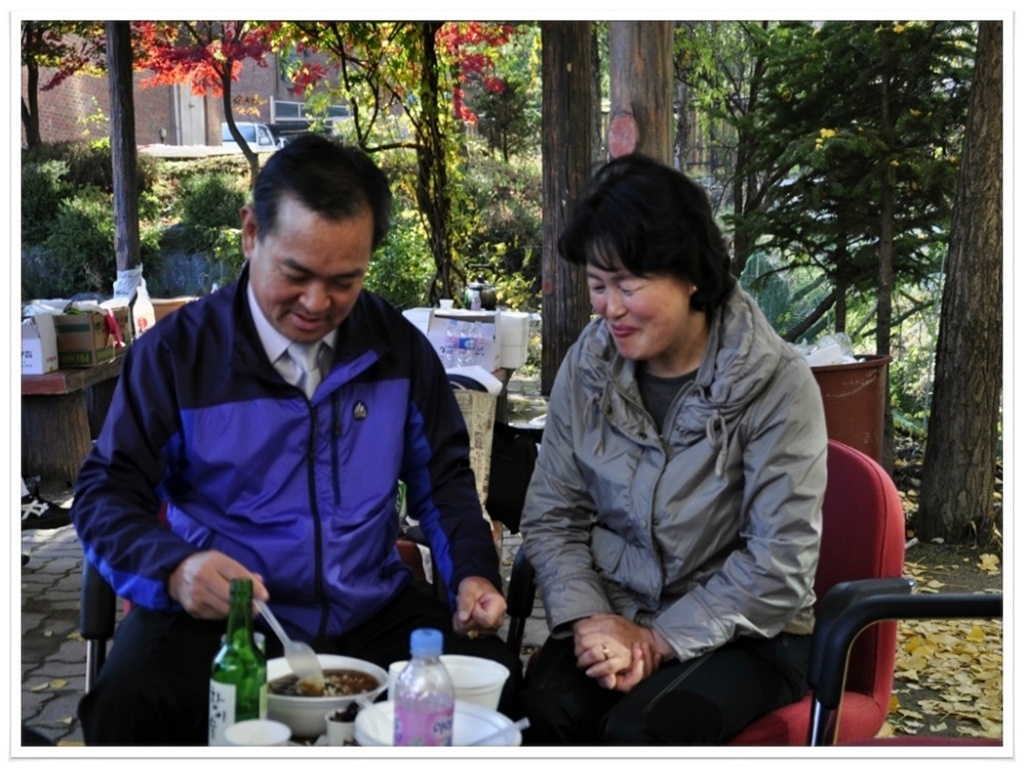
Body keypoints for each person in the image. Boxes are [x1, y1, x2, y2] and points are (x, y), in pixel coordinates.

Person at [72, 134, 519, 745]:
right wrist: (175, 569)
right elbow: (105, 494)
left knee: (495, 687)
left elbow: (442, 480)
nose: (316, 303)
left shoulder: (396, 349)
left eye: (344, 281)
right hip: (223, 620)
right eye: (296, 274)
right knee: (128, 706)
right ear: (251, 232)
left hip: (368, 610)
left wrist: (471, 574)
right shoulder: (179, 356)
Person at [518, 153, 828, 745]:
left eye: (627, 285)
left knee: (642, 732)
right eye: (597, 285)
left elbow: (779, 562)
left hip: (749, 634)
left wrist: (658, 640)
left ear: (690, 274)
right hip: (616, 610)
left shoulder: (776, 384)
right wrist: (589, 621)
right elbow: (553, 516)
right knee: (542, 711)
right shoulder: (588, 367)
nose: (609, 308)